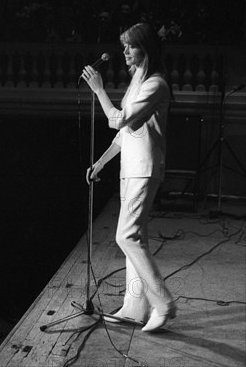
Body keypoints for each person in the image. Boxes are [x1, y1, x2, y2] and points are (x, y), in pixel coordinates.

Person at [81, 22, 177, 332]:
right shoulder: (138, 79)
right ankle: (136, 306)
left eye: (130, 46)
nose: (124, 51)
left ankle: (163, 304)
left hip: (146, 169)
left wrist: (99, 90)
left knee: (127, 236)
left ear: (144, 48)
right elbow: (124, 132)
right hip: (130, 168)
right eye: (124, 45)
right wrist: (101, 162)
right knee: (135, 238)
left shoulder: (156, 85)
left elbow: (118, 119)